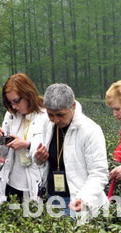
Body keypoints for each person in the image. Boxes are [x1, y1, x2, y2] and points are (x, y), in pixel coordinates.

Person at [34, 83, 109, 222]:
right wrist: (39, 158)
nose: (55, 120)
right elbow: (42, 159)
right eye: (51, 115)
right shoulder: (47, 124)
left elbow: (99, 173)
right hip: (52, 198)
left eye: (60, 115)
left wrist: (84, 198)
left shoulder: (90, 130)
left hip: (76, 201)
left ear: (73, 106)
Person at [0, 73, 49, 203]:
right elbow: (3, 153)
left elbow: (48, 150)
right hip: (10, 183)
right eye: (10, 102)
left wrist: (27, 145)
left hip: (33, 185)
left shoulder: (45, 116)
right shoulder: (10, 116)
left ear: (28, 94)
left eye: (16, 101)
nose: (14, 106)